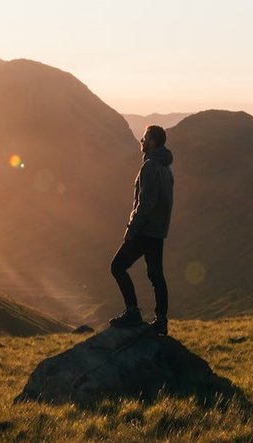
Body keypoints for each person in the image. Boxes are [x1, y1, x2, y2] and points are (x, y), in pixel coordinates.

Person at [108, 125, 174, 335]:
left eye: (144, 138)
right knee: (156, 275)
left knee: (117, 266)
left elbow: (145, 204)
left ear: (152, 142)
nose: (141, 141)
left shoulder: (150, 167)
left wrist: (131, 229)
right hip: (158, 232)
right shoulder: (166, 167)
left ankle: (132, 312)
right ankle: (161, 320)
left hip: (145, 230)